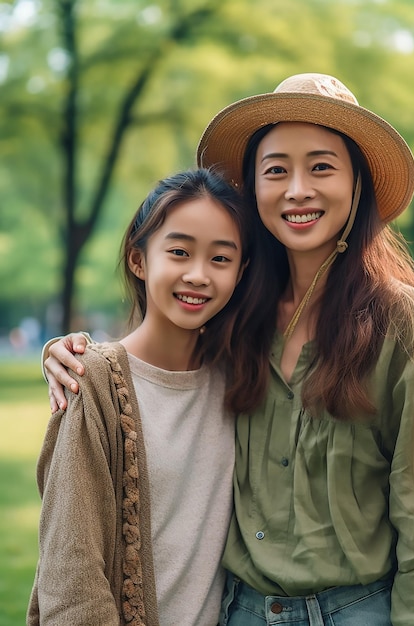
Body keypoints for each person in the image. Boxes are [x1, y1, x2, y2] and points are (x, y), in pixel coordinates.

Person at [42, 73, 414, 626]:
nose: (297, 189)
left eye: (321, 166)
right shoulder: (233, 308)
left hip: (358, 609)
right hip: (241, 610)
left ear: (357, 184)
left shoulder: (401, 320)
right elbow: (156, 355)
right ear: (254, 187)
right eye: (276, 170)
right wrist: (66, 354)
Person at [28, 168, 258, 626]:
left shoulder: (242, 377)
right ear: (139, 260)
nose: (198, 275)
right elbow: (71, 567)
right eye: (178, 252)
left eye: (220, 259)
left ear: (240, 272)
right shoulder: (92, 379)